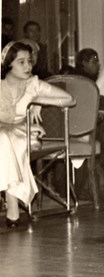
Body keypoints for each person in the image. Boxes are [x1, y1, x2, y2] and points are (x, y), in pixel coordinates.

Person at [0, 41, 74, 228]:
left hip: (22, 132)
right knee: (4, 138)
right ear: (8, 64)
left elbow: (70, 99)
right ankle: (12, 207)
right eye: (21, 62)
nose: (27, 67)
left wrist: (39, 100)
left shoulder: (33, 85)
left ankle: (12, 207)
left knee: (7, 141)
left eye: (29, 62)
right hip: (3, 132)